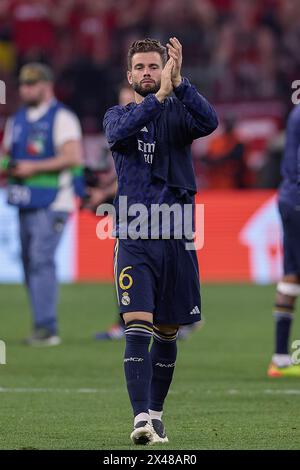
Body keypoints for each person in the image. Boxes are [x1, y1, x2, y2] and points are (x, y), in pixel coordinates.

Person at [103, 37, 218, 444]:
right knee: (137, 324)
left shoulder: (179, 116)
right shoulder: (117, 115)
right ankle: (139, 420)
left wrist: (181, 84)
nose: (148, 73)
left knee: (168, 331)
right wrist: (161, 97)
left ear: (163, 69)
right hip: (134, 236)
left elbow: (210, 122)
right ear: (129, 75)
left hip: (177, 238)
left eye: (155, 66)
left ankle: (155, 413)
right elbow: (120, 133)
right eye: (141, 68)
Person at [0, 62, 83, 346]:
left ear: (47, 87)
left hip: (53, 200)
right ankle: (41, 323)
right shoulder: (17, 119)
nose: (26, 88)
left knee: (40, 259)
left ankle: (47, 327)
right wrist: (10, 166)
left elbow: (73, 156)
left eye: (32, 83)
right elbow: (8, 156)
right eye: (23, 84)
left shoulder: (62, 118)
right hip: (24, 199)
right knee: (29, 263)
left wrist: (32, 168)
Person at [267, 105, 300, 377]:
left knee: (292, 276)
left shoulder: (296, 112)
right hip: (297, 199)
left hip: (291, 198)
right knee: (292, 276)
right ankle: (281, 357)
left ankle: (280, 356)